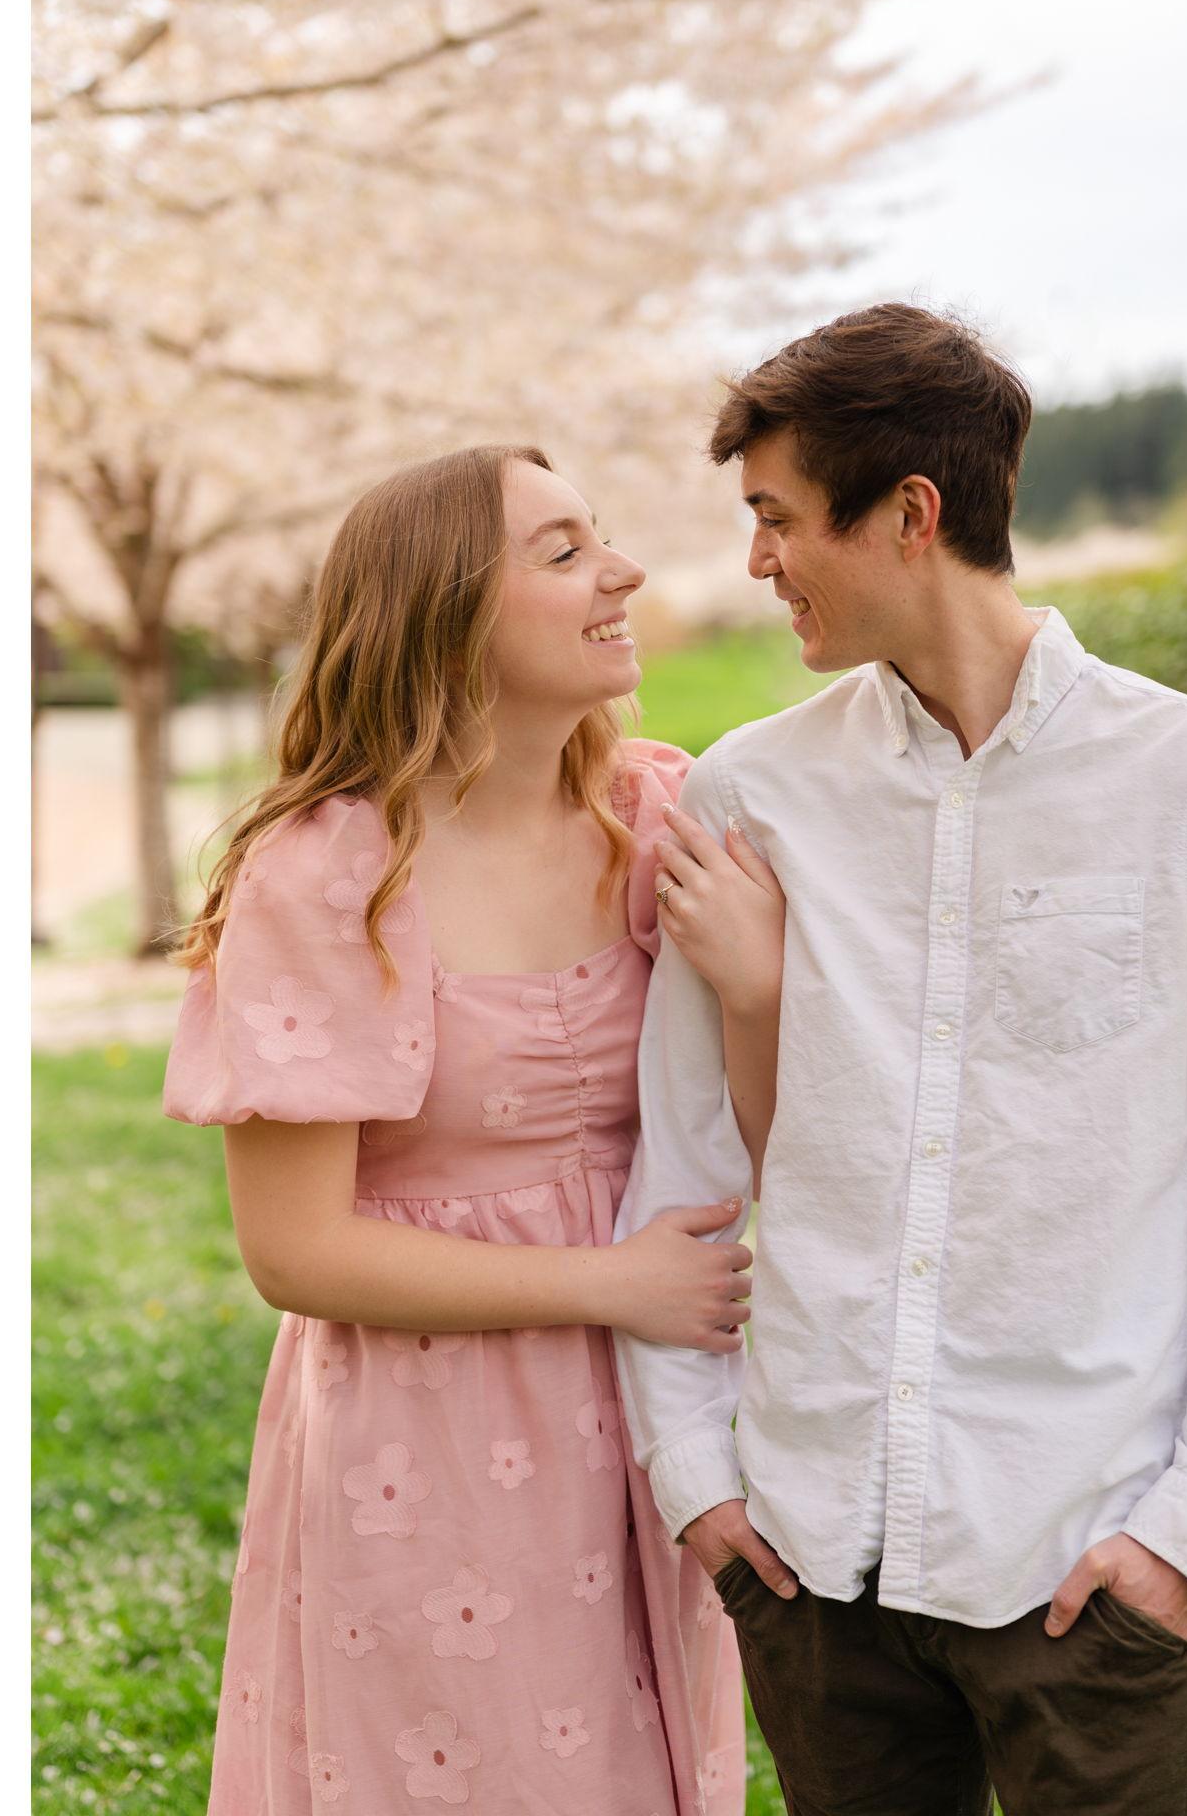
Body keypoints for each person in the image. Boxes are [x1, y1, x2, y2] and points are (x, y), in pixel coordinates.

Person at [615, 304, 1187, 1816]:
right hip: (812, 1556)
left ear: (909, 514)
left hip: (1085, 1556)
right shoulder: (752, 797)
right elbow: (678, 1171)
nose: (755, 561)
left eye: (775, 517)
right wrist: (697, 1484)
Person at [161, 444, 782, 1816]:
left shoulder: (658, 819)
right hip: (427, 1433)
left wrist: (759, 990)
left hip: (659, 1408)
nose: (620, 572)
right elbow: (295, 1251)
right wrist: (607, 1283)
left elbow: (769, 1134)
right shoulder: (329, 878)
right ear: (443, 616)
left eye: (601, 539)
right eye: (561, 554)